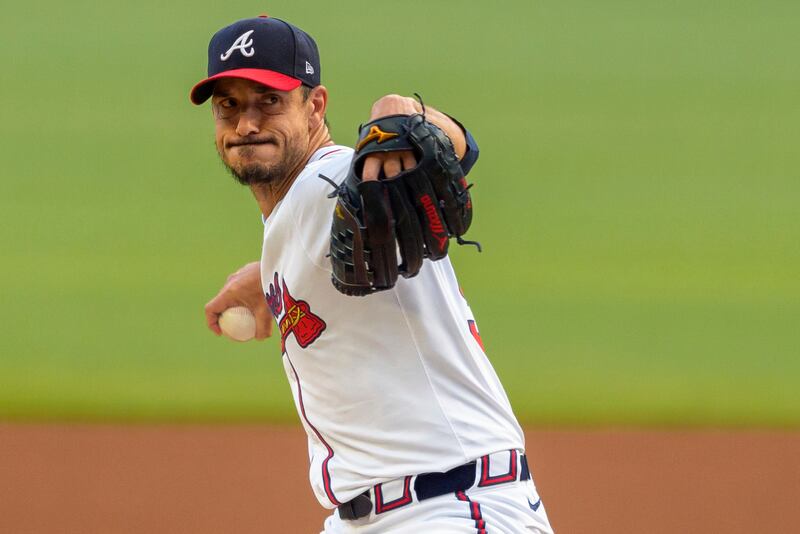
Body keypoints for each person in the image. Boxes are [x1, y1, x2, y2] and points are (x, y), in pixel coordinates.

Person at [191, 15, 554, 533]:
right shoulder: (298, 211)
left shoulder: (340, 177)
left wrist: (403, 114)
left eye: (269, 101)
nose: (247, 124)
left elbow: (449, 152)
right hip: (384, 514)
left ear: (315, 106)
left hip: (448, 509)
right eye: (229, 105)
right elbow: (321, 236)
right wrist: (267, 275)